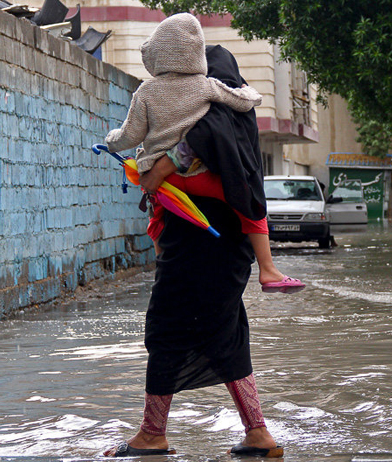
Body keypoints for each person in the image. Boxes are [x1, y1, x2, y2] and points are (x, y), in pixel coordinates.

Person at [102, 45, 284, 459]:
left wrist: (158, 169)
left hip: (205, 240)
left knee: (166, 326)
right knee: (226, 331)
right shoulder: (233, 113)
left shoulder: (217, 115)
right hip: (220, 241)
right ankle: (257, 433)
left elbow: (197, 141)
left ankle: (153, 433)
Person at [105, 13, 303, 293]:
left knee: (156, 217)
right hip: (201, 178)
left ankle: (163, 260)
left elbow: (129, 135)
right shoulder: (206, 86)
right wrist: (250, 93)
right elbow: (241, 100)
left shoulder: (146, 92)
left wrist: (111, 141)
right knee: (250, 207)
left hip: (162, 182)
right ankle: (268, 269)